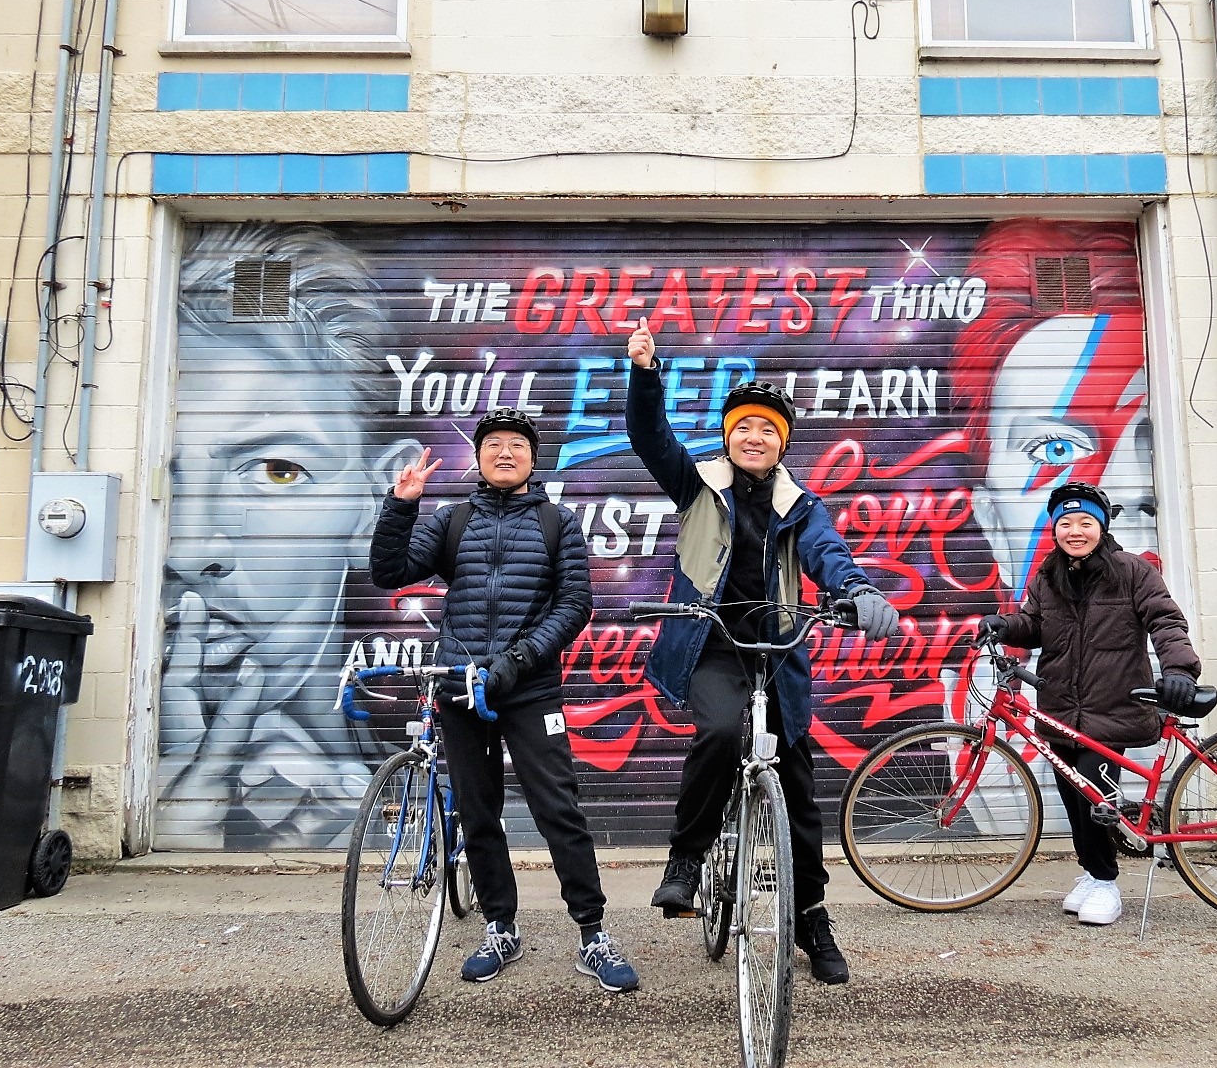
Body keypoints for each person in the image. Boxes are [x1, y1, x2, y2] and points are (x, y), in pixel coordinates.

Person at [624, 317, 902, 986]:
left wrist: (857, 590)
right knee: (719, 731)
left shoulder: (801, 503)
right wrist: (643, 375)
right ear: (729, 434)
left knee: (800, 796)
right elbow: (648, 438)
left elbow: (827, 553)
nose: (755, 437)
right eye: (745, 426)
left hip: (777, 648)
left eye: (769, 431)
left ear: (782, 445)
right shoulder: (697, 483)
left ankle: (811, 919)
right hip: (710, 642)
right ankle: (686, 862)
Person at [368, 406, 640, 994]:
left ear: (532, 459)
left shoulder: (556, 522)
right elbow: (389, 571)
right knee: (477, 808)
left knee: (557, 809)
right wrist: (402, 504)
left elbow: (574, 607)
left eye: (517, 444)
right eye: (494, 444)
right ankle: (500, 926)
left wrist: (515, 663)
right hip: (460, 687)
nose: (505, 453)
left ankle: (592, 934)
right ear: (480, 456)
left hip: (529, 686)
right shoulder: (451, 520)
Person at [161, 223, 399, 849]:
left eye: (276, 469)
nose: (188, 552)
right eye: (163, 469)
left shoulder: (489, 823)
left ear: (374, 503)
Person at [977, 480, 1202, 927]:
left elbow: (1165, 619)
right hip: (1060, 703)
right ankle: (1090, 871)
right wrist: (1004, 624)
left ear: (1100, 527)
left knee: (1095, 796)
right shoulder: (1049, 576)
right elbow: (1035, 625)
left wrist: (1179, 670)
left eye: (1085, 522)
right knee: (1072, 793)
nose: (1074, 530)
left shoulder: (1132, 571)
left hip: (1112, 704)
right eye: (1065, 522)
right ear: (1055, 529)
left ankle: (1105, 881)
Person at [952, 219, 1157, 601]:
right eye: (1055, 449)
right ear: (992, 522)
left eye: (1151, 448)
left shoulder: (1155, 604)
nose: (1130, 490)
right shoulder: (1025, 628)